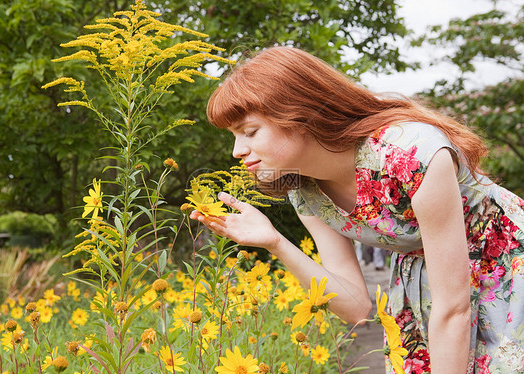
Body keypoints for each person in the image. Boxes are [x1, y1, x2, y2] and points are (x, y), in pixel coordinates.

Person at [189, 46, 524, 373]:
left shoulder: (410, 154)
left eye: (249, 132)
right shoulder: (305, 192)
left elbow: (453, 308)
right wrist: (274, 241)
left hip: (504, 265)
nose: (236, 151)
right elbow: (356, 307)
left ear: (298, 116)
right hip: (423, 290)